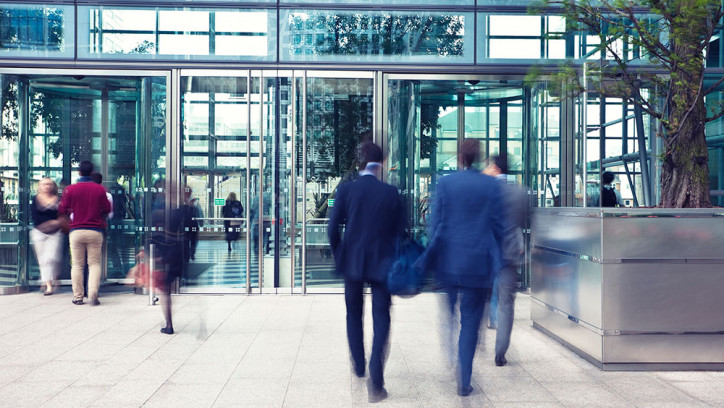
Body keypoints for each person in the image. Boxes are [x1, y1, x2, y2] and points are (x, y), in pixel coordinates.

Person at [415, 139, 506, 396]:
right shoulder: (490, 185)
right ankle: (463, 377)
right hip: (478, 265)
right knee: (470, 322)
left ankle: (450, 355)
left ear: (459, 157)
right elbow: (498, 227)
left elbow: (436, 224)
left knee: (449, 316)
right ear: (478, 158)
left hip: (449, 263)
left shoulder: (446, 183)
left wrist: (432, 255)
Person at [328, 142, 405, 403]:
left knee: (353, 314)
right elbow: (400, 232)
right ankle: (376, 377)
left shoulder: (347, 190)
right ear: (380, 163)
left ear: (360, 163)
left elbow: (332, 228)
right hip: (382, 265)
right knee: (381, 317)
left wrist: (341, 255)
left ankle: (359, 366)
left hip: (353, 264)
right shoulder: (390, 192)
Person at [484, 155, 529, 367]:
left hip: (484, 254)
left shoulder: (484, 191)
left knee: (476, 298)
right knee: (506, 304)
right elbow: (524, 222)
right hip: (510, 253)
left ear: (494, 167)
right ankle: (500, 352)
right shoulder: (519, 193)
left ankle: (472, 344)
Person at [58, 161, 111, 306]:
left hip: (76, 230)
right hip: (95, 230)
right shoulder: (99, 189)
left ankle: (78, 296)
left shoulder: (71, 189)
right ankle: (93, 295)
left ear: (79, 172)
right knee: (94, 264)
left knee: (77, 265)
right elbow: (107, 208)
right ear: (91, 171)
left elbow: (62, 209)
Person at [30, 177, 63, 295]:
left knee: (52, 258)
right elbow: (35, 217)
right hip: (39, 233)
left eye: (49, 184)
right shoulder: (35, 199)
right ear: (40, 186)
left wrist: (55, 223)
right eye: (44, 184)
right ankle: (49, 285)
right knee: (43, 260)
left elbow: (62, 215)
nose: (47, 186)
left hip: (55, 233)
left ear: (53, 186)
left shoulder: (58, 199)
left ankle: (52, 277)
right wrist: (51, 222)